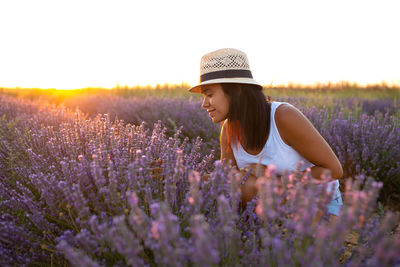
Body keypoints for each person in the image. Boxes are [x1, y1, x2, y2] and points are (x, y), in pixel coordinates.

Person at [188, 48, 343, 217]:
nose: (204, 104)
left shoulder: (283, 116)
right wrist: (182, 175)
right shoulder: (228, 129)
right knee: (238, 184)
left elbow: (334, 170)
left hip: (319, 204)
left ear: (237, 90)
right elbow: (224, 181)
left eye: (209, 95)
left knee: (248, 184)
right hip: (274, 207)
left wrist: (278, 181)